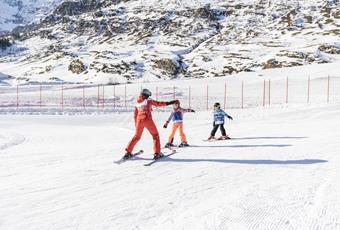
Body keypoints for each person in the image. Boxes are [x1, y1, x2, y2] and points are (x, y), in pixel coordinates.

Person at [123, 89, 177, 160]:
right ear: (146, 95)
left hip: (139, 121)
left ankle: (128, 152)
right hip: (147, 119)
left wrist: (137, 124)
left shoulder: (137, 103)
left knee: (136, 136)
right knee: (155, 135)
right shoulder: (148, 101)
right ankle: (157, 153)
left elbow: (135, 115)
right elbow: (158, 103)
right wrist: (169, 103)